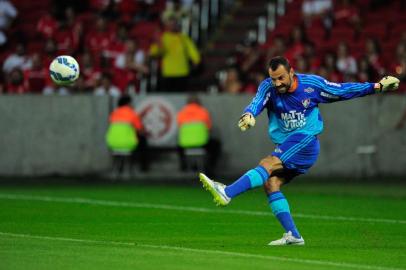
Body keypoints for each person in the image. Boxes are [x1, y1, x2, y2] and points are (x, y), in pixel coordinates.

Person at [198, 56, 400, 246]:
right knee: (271, 183)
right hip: (287, 144)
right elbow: (258, 101)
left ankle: (227, 192)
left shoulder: (312, 86)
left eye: (281, 78)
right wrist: (249, 114)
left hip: (306, 141)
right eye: (273, 78)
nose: (277, 83)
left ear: (292, 72)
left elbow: (343, 90)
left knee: (267, 164)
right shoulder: (269, 86)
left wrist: (377, 86)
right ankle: (294, 235)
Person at [149, 15, 201, 92]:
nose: (172, 26)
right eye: (170, 24)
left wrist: (196, 60)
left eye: (174, 24)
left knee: (181, 96)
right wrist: (158, 44)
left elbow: (192, 50)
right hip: (167, 72)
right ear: (166, 26)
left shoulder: (183, 38)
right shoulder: (162, 37)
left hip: (183, 72)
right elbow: (154, 52)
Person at [177, 95, 220, 173]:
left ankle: (183, 166)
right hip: (202, 143)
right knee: (216, 145)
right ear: (199, 102)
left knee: (178, 145)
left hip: (185, 144)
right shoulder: (203, 112)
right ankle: (210, 167)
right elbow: (209, 128)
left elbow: (180, 127)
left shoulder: (181, 113)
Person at [107, 94, 149, 172]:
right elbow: (140, 130)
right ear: (128, 103)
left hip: (112, 143)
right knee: (143, 141)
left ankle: (120, 167)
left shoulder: (114, 113)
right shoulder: (132, 113)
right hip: (127, 143)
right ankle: (144, 168)